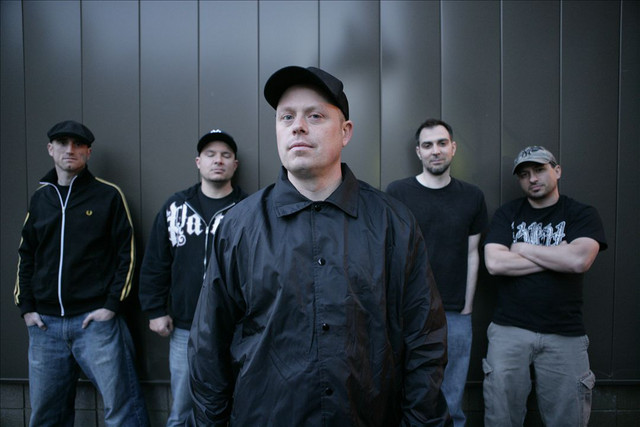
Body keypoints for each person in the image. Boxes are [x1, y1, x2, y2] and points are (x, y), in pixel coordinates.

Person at [187, 66, 451, 426]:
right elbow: (208, 347)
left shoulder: (393, 223)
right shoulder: (238, 227)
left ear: (345, 132)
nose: (297, 126)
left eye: (314, 116)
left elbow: (425, 340)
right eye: (286, 117)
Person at [14, 120, 149, 426]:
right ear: (50, 149)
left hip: (95, 323)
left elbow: (127, 254)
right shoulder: (41, 199)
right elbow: (26, 254)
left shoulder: (108, 195)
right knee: (47, 414)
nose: (70, 150)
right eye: (62, 143)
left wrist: (111, 305)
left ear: (88, 152)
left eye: (78, 144)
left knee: (122, 408)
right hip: (45, 326)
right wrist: (27, 308)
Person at [483, 146, 607, 426]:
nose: (532, 178)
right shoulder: (507, 214)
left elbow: (579, 260)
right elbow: (495, 263)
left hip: (564, 333)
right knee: (501, 417)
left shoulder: (581, 213)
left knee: (567, 419)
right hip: (509, 330)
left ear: (557, 171)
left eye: (539, 170)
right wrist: (557, 255)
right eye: (524, 174)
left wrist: (522, 248)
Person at [138, 128, 247, 426]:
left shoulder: (248, 210)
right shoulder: (176, 207)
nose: (218, 160)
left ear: (235, 164)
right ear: (198, 162)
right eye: (210, 154)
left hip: (235, 328)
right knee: (182, 411)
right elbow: (156, 262)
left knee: (238, 405)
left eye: (225, 155)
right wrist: (155, 310)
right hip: (185, 329)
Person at [386, 118, 488, 426]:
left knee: (452, 398)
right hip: (409, 311)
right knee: (404, 391)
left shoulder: (472, 196)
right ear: (418, 151)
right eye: (428, 145)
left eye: (442, 143)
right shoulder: (398, 192)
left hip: (455, 312)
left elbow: (472, 252)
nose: (436, 151)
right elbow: (389, 251)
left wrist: (467, 306)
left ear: (453, 148)